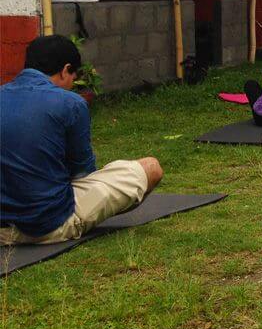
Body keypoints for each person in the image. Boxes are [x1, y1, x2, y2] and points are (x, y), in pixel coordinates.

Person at [0, 35, 163, 245]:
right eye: (73, 77)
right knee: (151, 168)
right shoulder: (71, 103)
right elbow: (82, 173)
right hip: (46, 226)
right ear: (65, 70)